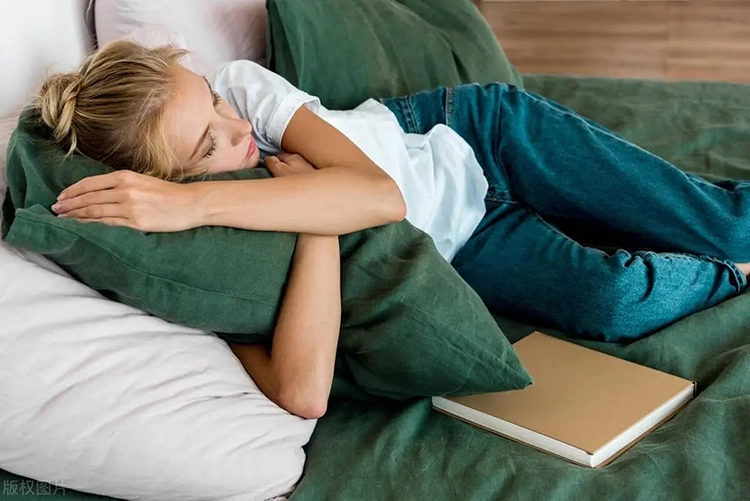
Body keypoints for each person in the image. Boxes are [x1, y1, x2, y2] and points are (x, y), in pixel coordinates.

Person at [37, 40, 750, 418]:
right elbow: (302, 393)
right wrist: (314, 222)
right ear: (171, 181)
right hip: (462, 243)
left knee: (721, 221)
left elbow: (376, 194)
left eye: (215, 106)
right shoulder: (213, 249)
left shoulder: (244, 91)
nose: (237, 128)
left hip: (471, 136)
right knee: (612, 302)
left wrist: (195, 202)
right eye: (210, 146)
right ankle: (739, 275)